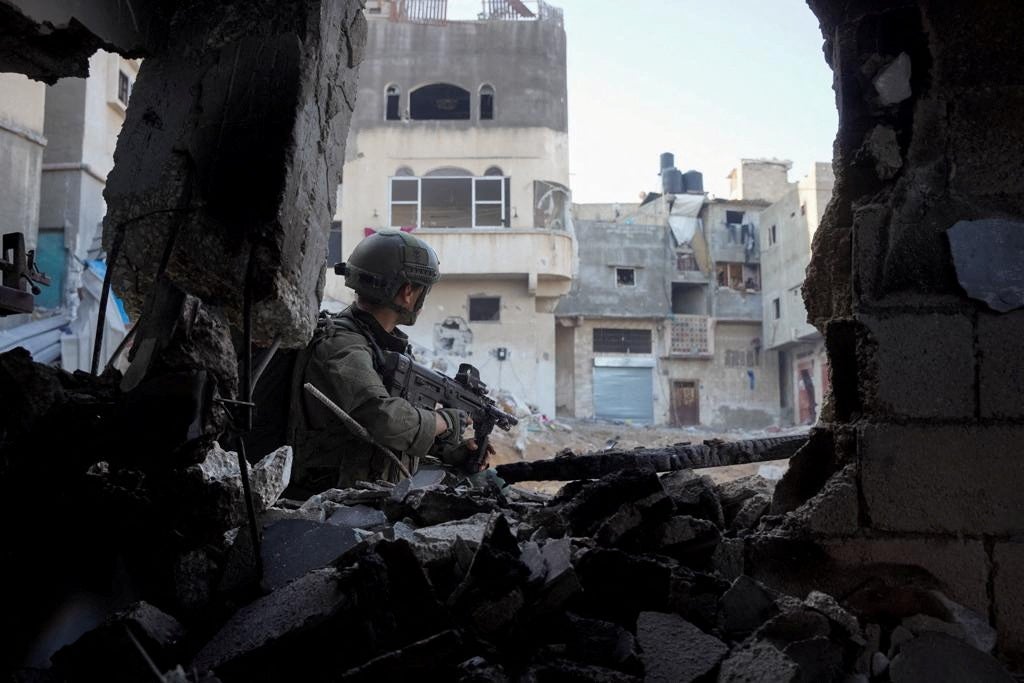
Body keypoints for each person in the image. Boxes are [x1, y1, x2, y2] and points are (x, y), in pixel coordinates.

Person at [286, 230, 490, 497]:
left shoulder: (382, 347)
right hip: (329, 503)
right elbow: (382, 418)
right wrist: (443, 422)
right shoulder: (344, 344)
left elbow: (394, 436)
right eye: (422, 291)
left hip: (368, 496)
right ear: (408, 292)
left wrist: (452, 452)